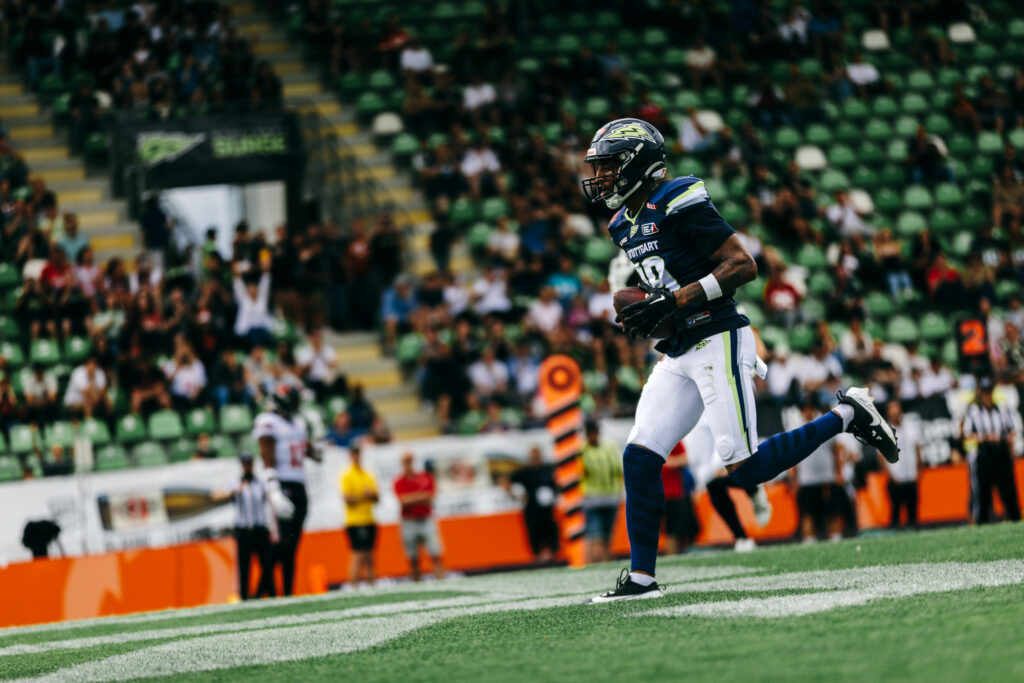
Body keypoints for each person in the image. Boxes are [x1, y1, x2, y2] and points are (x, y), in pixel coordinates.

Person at [580, 118, 898, 602]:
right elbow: (662, 285)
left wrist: (678, 300)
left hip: (717, 335)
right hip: (678, 347)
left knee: (745, 469)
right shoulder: (621, 223)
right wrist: (648, 307)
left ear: (636, 164)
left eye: (607, 166)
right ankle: (641, 578)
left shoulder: (677, 198)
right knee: (640, 456)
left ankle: (848, 413)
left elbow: (742, 265)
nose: (599, 176)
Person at [254, 385, 320, 596]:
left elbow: (312, 452)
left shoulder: (298, 424)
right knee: (282, 542)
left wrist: (319, 444)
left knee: (293, 545)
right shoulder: (268, 421)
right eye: (294, 401)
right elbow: (267, 456)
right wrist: (273, 489)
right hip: (282, 485)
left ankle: (288, 594)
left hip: (299, 485)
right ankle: (260, 590)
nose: (297, 406)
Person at [962, 378, 1021, 525]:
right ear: (980, 394)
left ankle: (1015, 518)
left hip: (1001, 455)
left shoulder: (1002, 410)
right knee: (983, 494)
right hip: (984, 456)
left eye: (989, 392)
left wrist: (1009, 445)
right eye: (985, 393)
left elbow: (1012, 430)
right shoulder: (974, 412)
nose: (987, 396)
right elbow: (966, 433)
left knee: (1009, 491)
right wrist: (986, 437)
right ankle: (982, 522)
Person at [223, 453, 276, 600]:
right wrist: (235, 491)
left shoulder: (260, 483)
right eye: (245, 463)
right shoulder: (236, 483)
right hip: (244, 531)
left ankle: (270, 594)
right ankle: (245, 597)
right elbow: (217, 495)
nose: (247, 466)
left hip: (260, 529)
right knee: (244, 567)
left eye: (249, 463)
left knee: (266, 564)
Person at [791, 399, 844, 542]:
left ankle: (835, 537)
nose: (807, 411)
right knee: (808, 513)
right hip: (806, 480)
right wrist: (794, 479)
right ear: (801, 411)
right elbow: (792, 457)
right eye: (805, 409)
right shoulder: (796, 430)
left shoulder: (824, 426)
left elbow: (835, 451)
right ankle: (809, 540)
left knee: (832, 512)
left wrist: (839, 473)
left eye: (810, 408)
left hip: (827, 477)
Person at [502, 446, 560, 562]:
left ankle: (551, 555)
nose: (536, 458)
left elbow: (557, 483)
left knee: (551, 531)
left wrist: (554, 493)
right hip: (532, 510)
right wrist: (515, 496)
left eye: (537, 455)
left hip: (547, 509)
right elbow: (505, 481)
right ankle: (538, 556)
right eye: (533, 456)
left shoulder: (547, 469)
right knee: (534, 533)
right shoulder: (526, 471)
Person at [393, 451, 444, 581]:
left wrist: (411, 498)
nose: (408, 463)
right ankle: (417, 584)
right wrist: (419, 496)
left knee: (436, 554)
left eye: (410, 459)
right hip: (409, 522)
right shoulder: (399, 481)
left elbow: (430, 496)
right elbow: (402, 501)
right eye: (406, 460)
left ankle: (441, 582)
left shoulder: (425, 477)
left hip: (426, 520)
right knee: (413, 559)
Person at [580, 420, 623, 564]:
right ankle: (595, 565)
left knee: (605, 538)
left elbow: (618, 470)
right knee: (596, 538)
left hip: (608, 497)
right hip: (595, 498)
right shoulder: (582, 451)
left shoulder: (605, 448)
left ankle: (603, 566)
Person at [340, 441, 378, 586]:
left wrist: (366, 495)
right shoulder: (346, 475)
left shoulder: (368, 474)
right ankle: (354, 585)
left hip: (369, 518)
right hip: (354, 520)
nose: (356, 456)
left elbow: (376, 497)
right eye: (354, 453)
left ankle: (371, 584)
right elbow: (348, 499)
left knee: (370, 556)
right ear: (351, 455)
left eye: (358, 453)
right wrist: (365, 495)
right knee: (357, 554)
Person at [885, 401, 922, 529]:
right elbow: (881, 456)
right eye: (892, 409)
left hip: (911, 475)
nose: (895, 412)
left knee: (913, 510)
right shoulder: (885, 431)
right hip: (896, 478)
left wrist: (918, 471)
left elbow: (917, 449)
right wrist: (891, 475)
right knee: (896, 510)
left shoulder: (910, 428)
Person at [661, 442, 699, 555]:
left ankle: (678, 556)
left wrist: (669, 462)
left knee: (678, 531)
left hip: (676, 493)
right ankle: (672, 558)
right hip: (660, 494)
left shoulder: (673, 440)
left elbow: (686, 458)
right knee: (670, 531)